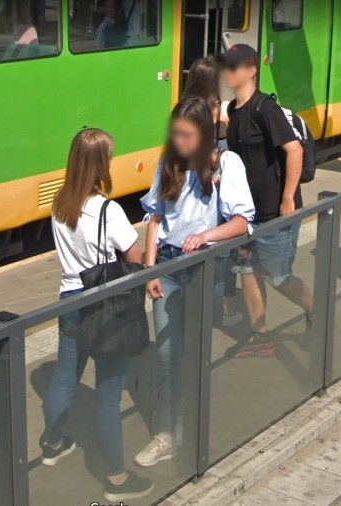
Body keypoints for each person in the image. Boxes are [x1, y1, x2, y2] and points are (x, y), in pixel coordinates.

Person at [135, 97, 255, 467]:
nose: (179, 142)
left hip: (203, 268)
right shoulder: (167, 162)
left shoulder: (226, 164)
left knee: (195, 356)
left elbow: (243, 223)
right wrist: (150, 271)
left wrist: (206, 236)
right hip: (168, 268)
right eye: (175, 134)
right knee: (168, 355)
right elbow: (155, 219)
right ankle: (167, 434)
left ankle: (196, 432)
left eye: (186, 135)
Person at [40, 129, 153, 502]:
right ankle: (117, 480)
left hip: (69, 301)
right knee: (107, 397)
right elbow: (134, 257)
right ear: (99, 164)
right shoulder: (108, 209)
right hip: (106, 308)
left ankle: (53, 444)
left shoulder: (60, 203)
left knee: (64, 379)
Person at [220, 44, 314, 359]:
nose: (228, 72)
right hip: (245, 214)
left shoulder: (266, 109)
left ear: (251, 69)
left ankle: (317, 309)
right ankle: (260, 337)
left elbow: (294, 150)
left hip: (275, 211)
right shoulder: (233, 111)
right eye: (226, 66)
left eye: (234, 66)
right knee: (247, 270)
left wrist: (288, 198)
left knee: (278, 277)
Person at [182, 56, 241, 327]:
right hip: (210, 180)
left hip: (189, 195)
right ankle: (218, 311)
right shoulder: (211, 108)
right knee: (221, 252)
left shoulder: (184, 107)